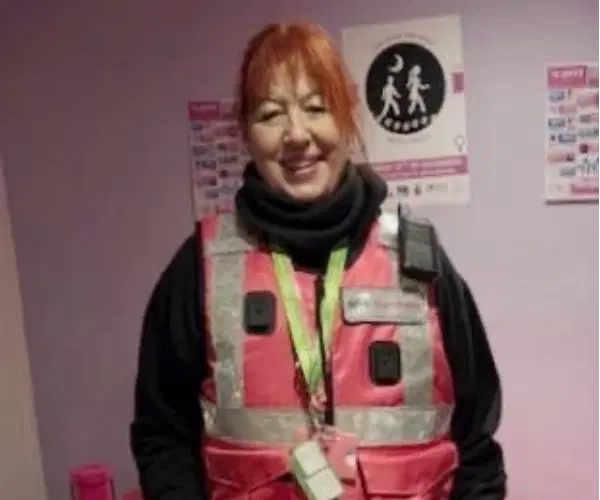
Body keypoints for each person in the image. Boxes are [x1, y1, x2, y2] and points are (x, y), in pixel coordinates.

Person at [130, 21, 507, 500]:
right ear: (245, 131)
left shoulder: (418, 262)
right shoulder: (202, 266)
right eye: (271, 114)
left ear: (346, 118)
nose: (296, 134)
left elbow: (476, 443)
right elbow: (163, 434)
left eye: (316, 107)